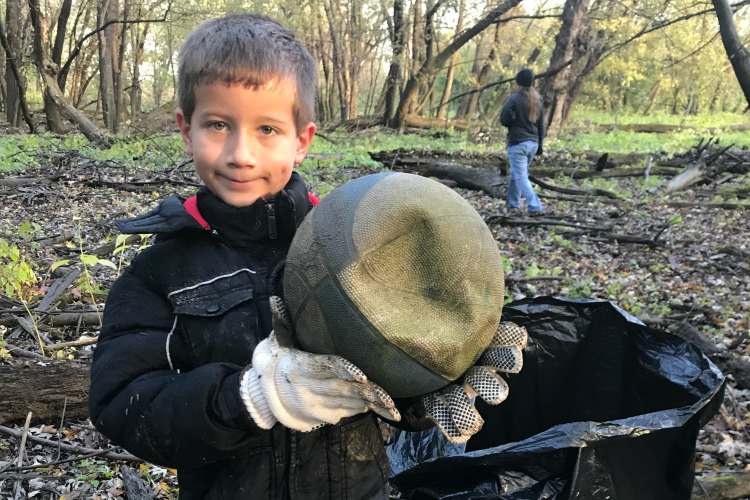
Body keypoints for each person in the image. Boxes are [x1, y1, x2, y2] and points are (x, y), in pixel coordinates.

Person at [88, 13, 524, 499]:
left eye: (267, 129)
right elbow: (122, 404)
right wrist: (251, 398)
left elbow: (387, 385)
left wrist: (428, 379)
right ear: (186, 130)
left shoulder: (356, 248)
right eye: (218, 125)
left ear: (302, 141)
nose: (241, 154)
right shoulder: (158, 273)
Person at [500, 68, 546, 215]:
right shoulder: (537, 99)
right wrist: (540, 146)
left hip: (518, 143)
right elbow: (541, 126)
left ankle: (535, 206)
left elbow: (503, 119)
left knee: (520, 177)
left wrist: (513, 119)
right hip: (533, 144)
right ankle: (512, 204)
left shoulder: (514, 98)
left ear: (518, 81)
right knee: (516, 174)